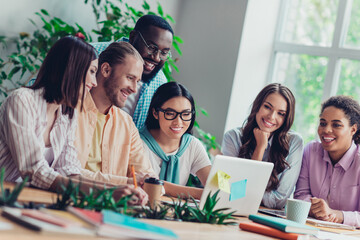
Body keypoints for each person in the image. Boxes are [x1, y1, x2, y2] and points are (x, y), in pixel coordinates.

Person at [0, 36, 146, 204]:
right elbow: (35, 171)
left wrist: (112, 191)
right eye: (91, 71)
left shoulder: (66, 112)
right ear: (71, 69)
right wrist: (107, 192)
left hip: (30, 199)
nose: (94, 81)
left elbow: (70, 170)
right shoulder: (21, 100)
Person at [76, 41, 156, 186]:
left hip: (111, 206)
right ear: (106, 70)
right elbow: (67, 171)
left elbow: (147, 177)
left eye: (137, 81)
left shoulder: (126, 124)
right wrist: (125, 182)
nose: (134, 89)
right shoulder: (69, 109)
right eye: (130, 78)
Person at [222, 83, 303, 209]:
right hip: (233, 209)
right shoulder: (233, 137)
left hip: (268, 216)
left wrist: (247, 192)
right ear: (257, 106)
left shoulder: (294, 142)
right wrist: (260, 148)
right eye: (267, 107)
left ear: (286, 118)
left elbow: (280, 200)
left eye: (281, 113)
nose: (271, 117)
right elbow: (229, 191)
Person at [91, 15, 174, 129]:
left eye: (164, 53)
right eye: (151, 47)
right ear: (133, 37)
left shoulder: (160, 84)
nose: (156, 58)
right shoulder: (92, 55)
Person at [295, 96, 360, 227]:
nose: (326, 130)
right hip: (310, 230)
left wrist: (335, 214)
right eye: (323, 123)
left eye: (336, 125)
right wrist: (315, 207)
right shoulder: (311, 151)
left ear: (353, 129)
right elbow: (301, 194)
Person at [139, 82, 211, 199]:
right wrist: (202, 194)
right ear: (155, 113)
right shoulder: (138, 141)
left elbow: (214, 184)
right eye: (170, 114)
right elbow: (151, 184)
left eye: (186, 114)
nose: (178, 122)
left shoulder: (192, 145)